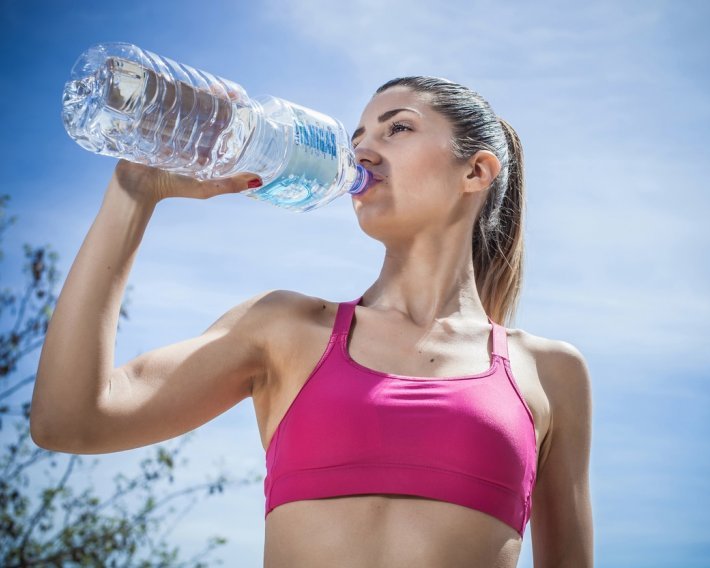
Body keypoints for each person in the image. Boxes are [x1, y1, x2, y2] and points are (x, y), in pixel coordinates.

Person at [31, 76, 594, 567]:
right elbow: (69, 420)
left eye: (397, 129)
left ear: (475, 170)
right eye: (356, 140)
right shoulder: (282, 328)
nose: (363, 154)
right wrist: (135, 192)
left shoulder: (548, 372)